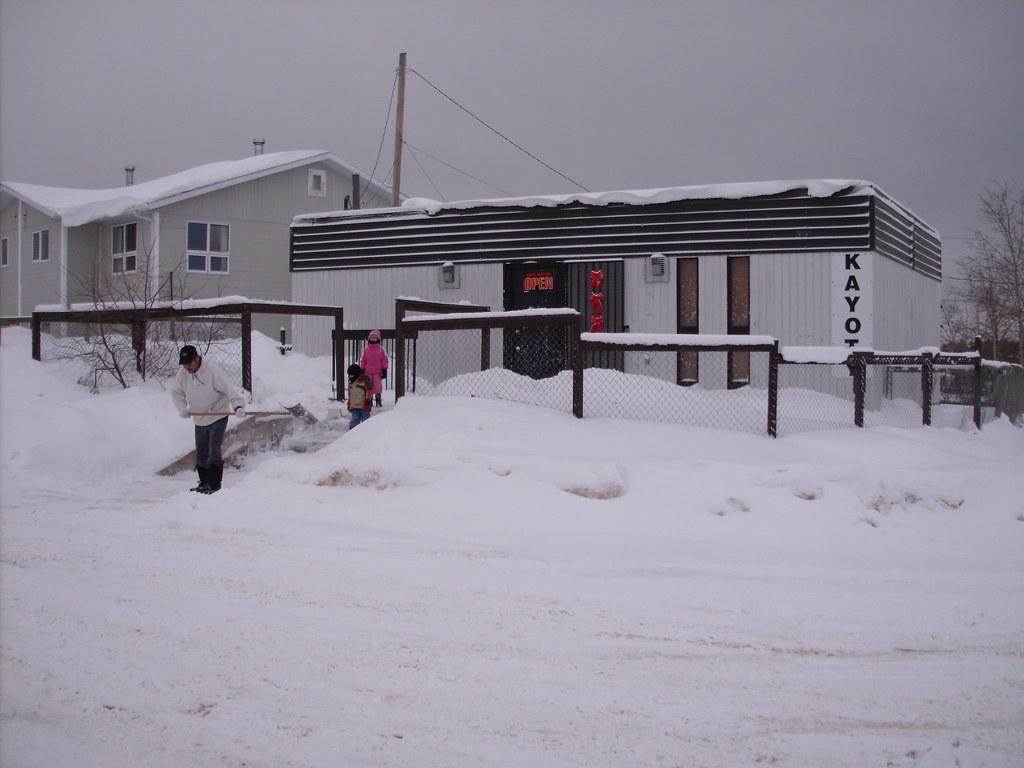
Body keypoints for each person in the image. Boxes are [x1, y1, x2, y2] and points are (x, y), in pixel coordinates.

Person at [171, 345, 247, 494]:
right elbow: (176, 392)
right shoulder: (183, 373)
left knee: (214, 452)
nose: (186, 366)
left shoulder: (211, 370)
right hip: (200, 417)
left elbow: (229, 389)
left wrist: (238, 406)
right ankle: (204, 483)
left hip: (217, 414)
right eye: (184, 363)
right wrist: (181, 407)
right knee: (201, 454)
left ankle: (214, 486)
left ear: (197, 358)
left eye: (189, 363)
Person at [359, 329, 389, 407]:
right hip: (368, 372)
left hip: (377, 372)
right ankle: (369, 400)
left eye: (375, 338)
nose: (373, 339)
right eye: (371, 338)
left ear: (378, 339)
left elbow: (384, 360)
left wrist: (384, 369)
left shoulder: (381, 350)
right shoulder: (366, 350)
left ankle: (378, 400)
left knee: (377, 386)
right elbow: (363, 360)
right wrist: (362, 369)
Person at [346, 363, 373, 429]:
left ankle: (367, 430)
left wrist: (367, 401)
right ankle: (353, 431)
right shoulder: (351, 384)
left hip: (364, 406)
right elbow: (350, 394)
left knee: (366, 421)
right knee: (354, 420)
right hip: (354, 406)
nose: (350, 376)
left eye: (352, 375)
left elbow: (369, 391)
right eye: (349, 375)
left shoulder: (364, 381)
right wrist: (349, 404)